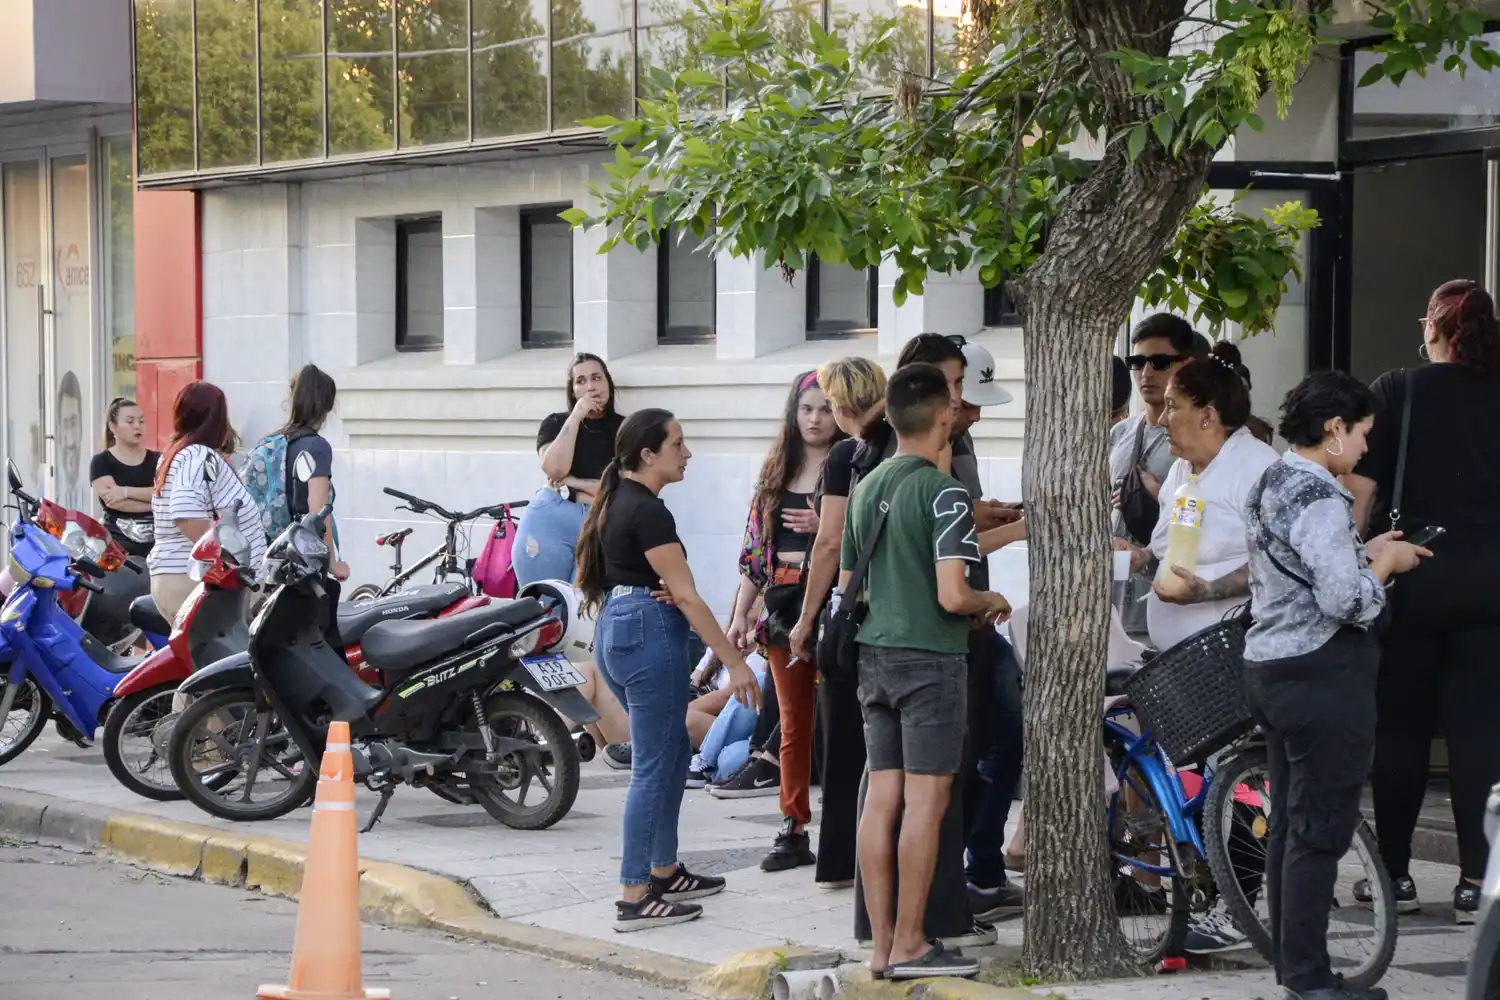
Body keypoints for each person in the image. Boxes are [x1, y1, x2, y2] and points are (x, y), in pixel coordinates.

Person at [1243, 371, 1430, 1000]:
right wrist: (1385, 561)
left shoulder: (1272, 476)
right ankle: (1311, 980)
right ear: (1334, 430)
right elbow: (1346, 598)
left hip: (1273, 668)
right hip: (1323, 674)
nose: (1367, 448)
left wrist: (1361, 547)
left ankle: (1295, 968)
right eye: (1364, 434)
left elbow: (1300, 566)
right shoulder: (1320, 495)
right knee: (1319, 829)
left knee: (1292, 829)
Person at [847, 364, 1011, 981]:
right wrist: (988, 602)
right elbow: (952, 594)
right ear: (944, 416)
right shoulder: (942, 492)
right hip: (930, 662)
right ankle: (914, 942)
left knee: (882, 798)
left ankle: (882, 946)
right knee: (926, 802)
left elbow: (849, 583)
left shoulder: (868, 486)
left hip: (873, 657)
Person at [1343, 278, 1500, 922]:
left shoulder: (1398, 389)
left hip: (1411, 575)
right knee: (1480, 735)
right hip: (1491, 587)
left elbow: (1358, 490)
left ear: (1434, 328)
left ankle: (1396, 877)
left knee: (1401, 731)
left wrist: (1350, 563)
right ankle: (1474, 883)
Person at [574, 408, 761, 931]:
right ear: (647, 455)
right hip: (645, 632)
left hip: (623, 625)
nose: (688, 453)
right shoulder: (647, 510)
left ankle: (664, 870)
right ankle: (635, 896)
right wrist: (734, 664)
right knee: (654, 765)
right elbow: (685, 594)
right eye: (678, 444)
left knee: (674, 751)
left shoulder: (620, 502)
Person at [776, 357, 889, 886]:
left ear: (842, 406)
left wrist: (806, 619)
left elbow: (830, 542)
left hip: (858, 611)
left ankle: (844, 861)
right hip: (905, 610)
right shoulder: (909, 442)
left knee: (842, 741)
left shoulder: (849, 453)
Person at [724, 371, 840, 872]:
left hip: (837, 601)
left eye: (825, 409)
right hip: (781, 606)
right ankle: (794, 826)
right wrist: (738, 615)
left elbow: (866, 535)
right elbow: (754, 555)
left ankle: (848, 827)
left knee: (844, 723)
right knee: (793, 722)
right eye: (806, 409)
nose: (815, 420)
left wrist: (829, 523)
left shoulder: (853, 463)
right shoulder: (776, 470)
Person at [1139, 342, 1278, 650]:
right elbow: (1176, 540)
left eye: (1172, 406)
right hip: (1175, 659)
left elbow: (1280, 560)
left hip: (1228, 657)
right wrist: (1144, 556)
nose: (1161, 420)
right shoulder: (1180, 468)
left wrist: (1208, 590)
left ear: (1207, 416)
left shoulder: (1257, 467)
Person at [1111, 314, 1210, 636]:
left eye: (1160, 362)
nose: (1147, 373)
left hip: (1174, 606)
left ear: (1187, 364)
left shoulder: (1203, 439)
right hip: (1113, 606)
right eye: (1138, 362)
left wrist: (1161, 496)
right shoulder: (1121, 433)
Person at [149, 382, 268, 620]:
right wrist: (227, 560)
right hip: (198, 583)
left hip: (182, 578)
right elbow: (186, 514)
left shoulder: (177, 454)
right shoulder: (198, 456)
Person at [516, 353, 626, 586]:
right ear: (573, 390)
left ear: (608, 383)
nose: (590, 387)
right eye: (581, 381)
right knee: (546, 604)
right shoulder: (556, 423)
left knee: (587, 607)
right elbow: (554, 469)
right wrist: (577, 415)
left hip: (600, 522)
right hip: (552, 519)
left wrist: (573, 482)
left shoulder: (625, 429)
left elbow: (621, 490)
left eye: (596, 378)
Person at [277, 365, 349, 582]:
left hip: (273, 559)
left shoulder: (276, 443)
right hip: (301, 563)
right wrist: (332, 563)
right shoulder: (317, 447)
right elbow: (317, 511)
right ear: (327, 407)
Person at [89, 397, 160, 558]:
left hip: (157, 544)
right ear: (112, 427)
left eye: (141, 421)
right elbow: (114, 502)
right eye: (130, 421)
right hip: (117, 545)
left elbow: (166, 494)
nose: (137, 426)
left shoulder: (158, 460)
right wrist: (156, 502)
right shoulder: (101, 461)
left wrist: (125, 491)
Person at [57, 371, 85, 511]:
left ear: (81, 428)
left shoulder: (92, 490)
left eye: (73, 424)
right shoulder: (49, 489)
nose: (70, 441)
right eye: (66, 425)